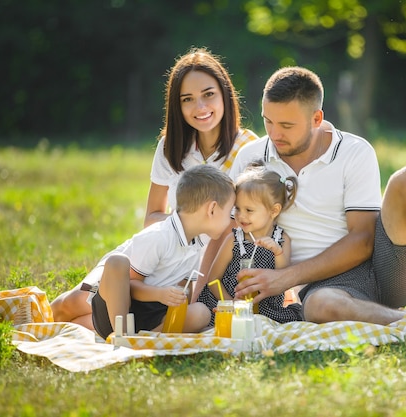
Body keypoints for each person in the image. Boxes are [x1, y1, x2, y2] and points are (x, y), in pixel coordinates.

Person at [231, 66, 406, 344]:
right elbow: (230, 229)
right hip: (321, 289)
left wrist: (284, 278)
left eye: (286, 125)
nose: (274, 133)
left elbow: (363, 240)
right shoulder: (251, 158)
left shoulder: (354, 151)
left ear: (316, 119)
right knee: (321, 305)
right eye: (268, 121)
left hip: (381, 271)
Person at [51, 47, 258, 329]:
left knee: (94, 317)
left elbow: (244, 224)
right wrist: (182, 229)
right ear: (177, 105)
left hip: (207, 265)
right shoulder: (171, 146)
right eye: (188, 99)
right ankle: (15, 319)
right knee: (74, 302)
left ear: (225, 94)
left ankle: (118, 331)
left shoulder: (248, 149)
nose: (200, 108)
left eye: (208, 94)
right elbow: (152, 216)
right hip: (161, 248)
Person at [89, 164, 235, 340]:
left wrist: (180, 301)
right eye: (229, 212)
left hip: (154, 314)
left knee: (201, 313)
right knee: (117, 261)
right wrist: (160, 294)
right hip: (119, 308)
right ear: (211, 209)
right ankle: (123, 335)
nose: (230, 220)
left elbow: (184, 290)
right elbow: (130, 285)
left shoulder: (196, 243)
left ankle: (145, 339)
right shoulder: (159, 236)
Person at [197, 163, 303, 324]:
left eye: (249, 210)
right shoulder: (234, 239)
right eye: (237, 209)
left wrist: (278, 253)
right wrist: (231, 304)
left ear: (274, 211)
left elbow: (283, 277)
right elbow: (213, 280)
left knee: (287, 320)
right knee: (211, 320)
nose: (241, 216)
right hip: (227, 303)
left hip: (265, 308)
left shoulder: (281, 239)